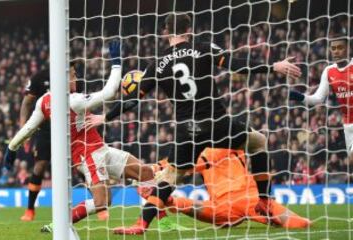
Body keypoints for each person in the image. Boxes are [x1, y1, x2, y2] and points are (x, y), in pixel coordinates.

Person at [94, 13, 302, 234]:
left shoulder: (156, 65)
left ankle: (141, 224)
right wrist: (274, 66)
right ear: (189, 29)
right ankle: (265, 200)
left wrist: (106, 117)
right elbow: (237, 65)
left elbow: (133, 99)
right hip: (216, 121)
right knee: (258, 142)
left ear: (165, 31)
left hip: (188, 130)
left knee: (169, 178)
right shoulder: (202, 48)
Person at [4, 41, 154, 225]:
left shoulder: (43, 101)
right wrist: (116, 63)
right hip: (87, 155)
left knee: (146, 173)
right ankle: (60, 224)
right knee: (103, 202)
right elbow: (108, 92)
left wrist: (11, 148)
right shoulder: (73, 101)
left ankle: (160, 222)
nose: (77, 78)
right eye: (74, 75)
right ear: (64, 78)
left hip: (101, 148)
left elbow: (28, 128)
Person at [137, 148, 311, 230]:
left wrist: (163, 171)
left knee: (301, 224)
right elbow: (173, 162)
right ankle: (167, 204)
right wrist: (151, 172)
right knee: (181, 203)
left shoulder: (228, 143)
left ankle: (271, 217)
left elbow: (189, 164)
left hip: (247, 197)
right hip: (222, 206)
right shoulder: (195, 150)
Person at [289, 35, 353, 155]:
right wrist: (296, 96)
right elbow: (318, 99)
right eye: (333, 48)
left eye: (340, 47)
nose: (336, 51)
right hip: (348, 125)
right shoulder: (329, 71)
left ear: (348, 48)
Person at [18, 68, 51, 221]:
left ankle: (99, 206)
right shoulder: (40, 76)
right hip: (45, 128)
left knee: (79, 164)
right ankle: (30, 210)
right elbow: (26, 103)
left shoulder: (74, 76)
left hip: (69, 127)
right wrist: (23, 130)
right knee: (39, 166)